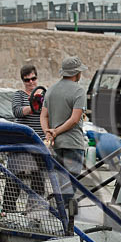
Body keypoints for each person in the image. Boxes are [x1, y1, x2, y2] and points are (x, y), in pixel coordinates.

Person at [40, 56, 87, 200]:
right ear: (76, 73)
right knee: (70, 186)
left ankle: (59, 210)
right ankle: (66, 213)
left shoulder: (51, 90)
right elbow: (74, 119)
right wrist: (56, 131)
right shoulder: (79, 91)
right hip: (73, 143)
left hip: (56, 145)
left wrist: (48, 133)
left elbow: (43, 116)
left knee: (59, 184)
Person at [5, 64, 47, 214]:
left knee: (38, 178)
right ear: (23, 81)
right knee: (15, 177)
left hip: (38, 142)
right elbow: (17, 111)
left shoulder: (45, 95)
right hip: (21, 142)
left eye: (33, 79)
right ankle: (8, 209)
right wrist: (33, 105)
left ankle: (34, 210)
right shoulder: (19, 95)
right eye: (27, 80)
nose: (31, 82)